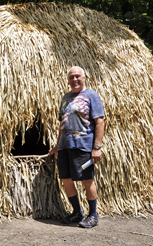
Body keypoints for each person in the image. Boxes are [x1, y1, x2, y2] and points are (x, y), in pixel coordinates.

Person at [48, 66, 104, 228]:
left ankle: (93, 215)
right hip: (65, 147)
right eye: (71, 77)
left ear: (84, 78)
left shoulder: (91, 96)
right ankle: (77, 212)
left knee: (87, 180)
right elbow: (62, 125)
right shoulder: (66, 98)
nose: (75, 80)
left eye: (77, 76)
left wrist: (97, 148)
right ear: (68, 80)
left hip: (83, 146)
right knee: (66, 180)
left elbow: (100, 122)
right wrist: (57, 146)